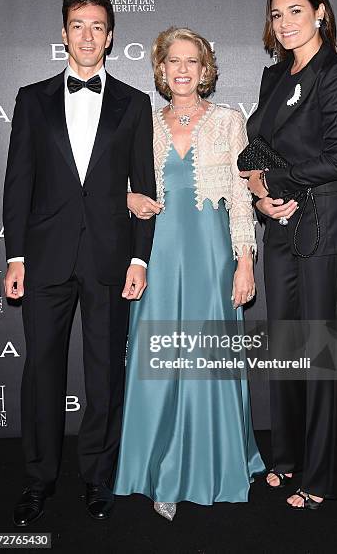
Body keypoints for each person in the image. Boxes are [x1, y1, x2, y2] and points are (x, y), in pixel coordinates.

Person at [3, 0, 156, 526]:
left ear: (110, 36)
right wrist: (14, 256)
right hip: (44, 259)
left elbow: (145, 187)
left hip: (110, 261)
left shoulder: (135, 104)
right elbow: (18, 182)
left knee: (103, 377)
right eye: (77, 25)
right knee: (40, 372)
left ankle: (97, 477)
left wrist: (139, 261)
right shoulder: (31, 98)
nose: (87, 35)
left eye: (97, 26)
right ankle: (38, 478)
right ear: (63, 32)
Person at [113, 27, 265, 520]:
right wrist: (128, 198)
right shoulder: (145, 122)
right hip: (157, 253)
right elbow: (110, 183)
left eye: (192, 62)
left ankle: (209, 464)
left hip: (209, 253)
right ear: (161, 69)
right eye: (173, 61)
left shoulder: (227, 120)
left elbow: (242, 197)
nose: (182, 69)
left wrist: (245, 260)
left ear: (205, 70)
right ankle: (160, 471)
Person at [242, 0, 337, 509]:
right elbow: (255, 148)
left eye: (296, 11)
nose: (285, 22)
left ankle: (321, 475)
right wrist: (258, 191)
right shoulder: (273, 78)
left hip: (325, 229)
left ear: (320, 13)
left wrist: (276, 182)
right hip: (281, 227)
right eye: (276, 14)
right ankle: (287, 458)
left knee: (320, 354)